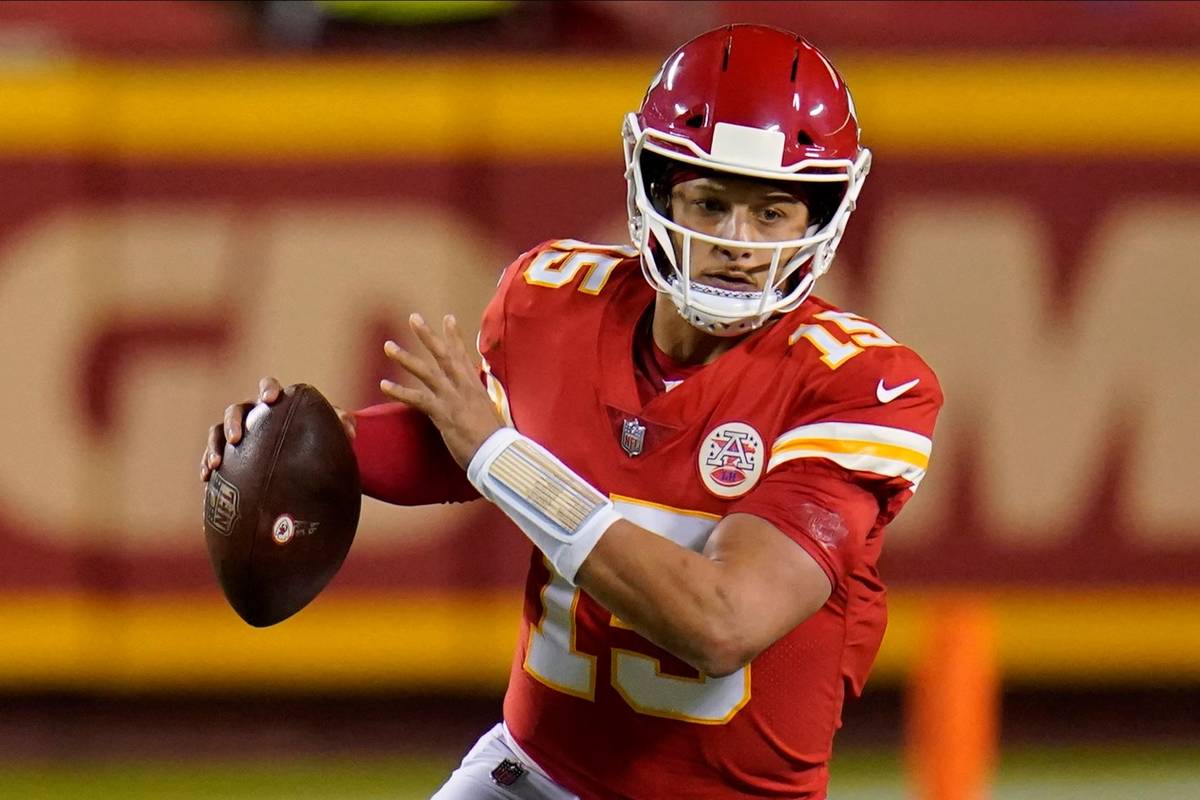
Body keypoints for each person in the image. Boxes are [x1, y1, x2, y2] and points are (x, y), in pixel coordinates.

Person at [201, 24, 941, 799]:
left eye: (772, 214)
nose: (735, 243)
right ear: (654, 188)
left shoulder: (859, 383)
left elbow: (723, 623)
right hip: (534, 772)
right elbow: (456, 447)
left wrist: (500, 456)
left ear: (819, 219)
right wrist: (300, 442)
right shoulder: (555, 301)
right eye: (712, 202)